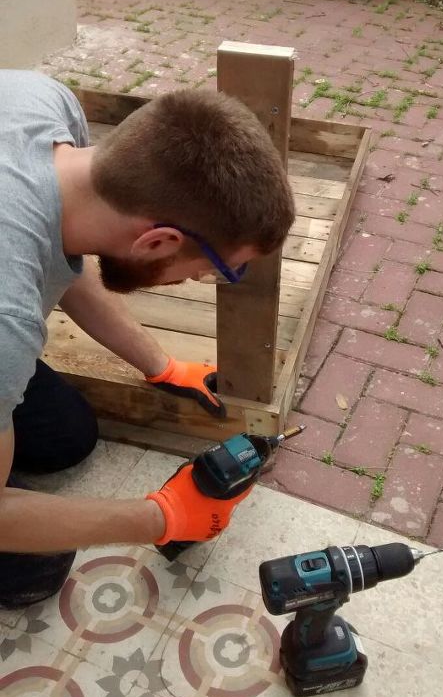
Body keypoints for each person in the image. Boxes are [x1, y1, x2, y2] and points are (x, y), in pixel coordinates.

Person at [0, 69, 295, 608]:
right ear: (159, 240)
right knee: (31, 565)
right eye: (213, 271)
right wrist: (161, 517)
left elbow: (59, 259)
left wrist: (160, 364)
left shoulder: (41, 101)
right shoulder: (7, 316)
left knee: (68, 436)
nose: (201, 282)